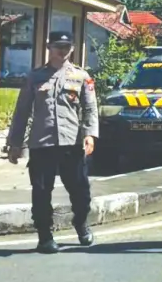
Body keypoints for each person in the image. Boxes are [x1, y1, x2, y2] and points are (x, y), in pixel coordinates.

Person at [7, 31, 98, 254]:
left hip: (72, 143)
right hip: (42, 143)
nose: (63, 50)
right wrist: (15, 143)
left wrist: (89, 134)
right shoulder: (35, 77)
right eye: (58, 46)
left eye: (67, 46)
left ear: (73, 48)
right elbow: (22, 111)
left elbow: (89, 108)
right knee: (40, 192)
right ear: (49, 47)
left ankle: (81, 223)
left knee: (80, 192)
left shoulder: (81, 77)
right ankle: (45, 236)